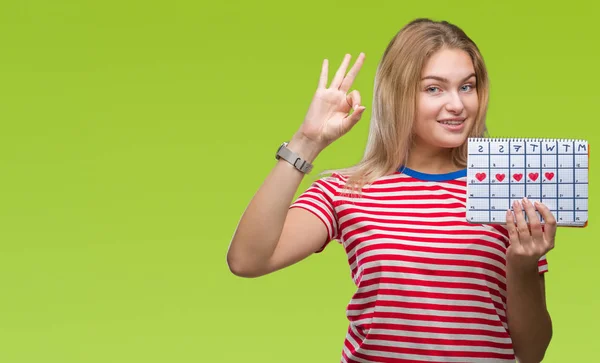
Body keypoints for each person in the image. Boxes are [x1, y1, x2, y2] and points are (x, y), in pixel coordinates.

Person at [227, 18, 555, 363]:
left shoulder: (504, 190)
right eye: (434, 88)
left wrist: (523, 264)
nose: (457, 105)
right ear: (397, 94)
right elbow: (247, 260)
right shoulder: (346, 189)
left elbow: (531, 352)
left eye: (466, 87)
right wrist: (307, 141)